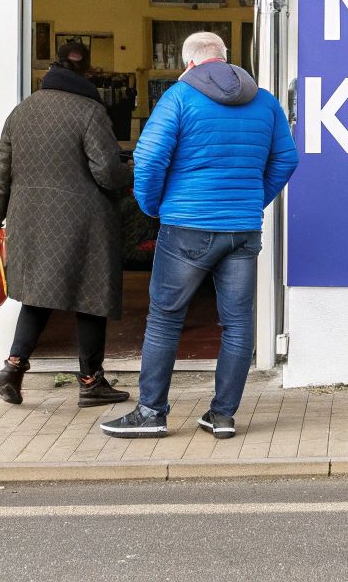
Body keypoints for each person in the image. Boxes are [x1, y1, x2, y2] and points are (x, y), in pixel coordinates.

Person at [100, 31, 298, 440]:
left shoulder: (178, 97)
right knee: (239, 325)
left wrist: (153, 206)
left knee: (165, 320)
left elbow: (149, 157)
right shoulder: (264, 100)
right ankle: (222, 416)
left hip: (187, 225)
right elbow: (287, 158)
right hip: (241, 230)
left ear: (188, 63)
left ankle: (151, 412)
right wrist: (252, 200)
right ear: (225, 59)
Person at [0, 40, 132, 407]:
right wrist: (133, 169)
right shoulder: (90, 111)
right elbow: (108, 174)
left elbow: (2, 173)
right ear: (85, 73)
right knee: (91, 298)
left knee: (37, 296)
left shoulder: (21, 111)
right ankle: (90, 381)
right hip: (84, 221)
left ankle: (13, 367)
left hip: (30, 219)